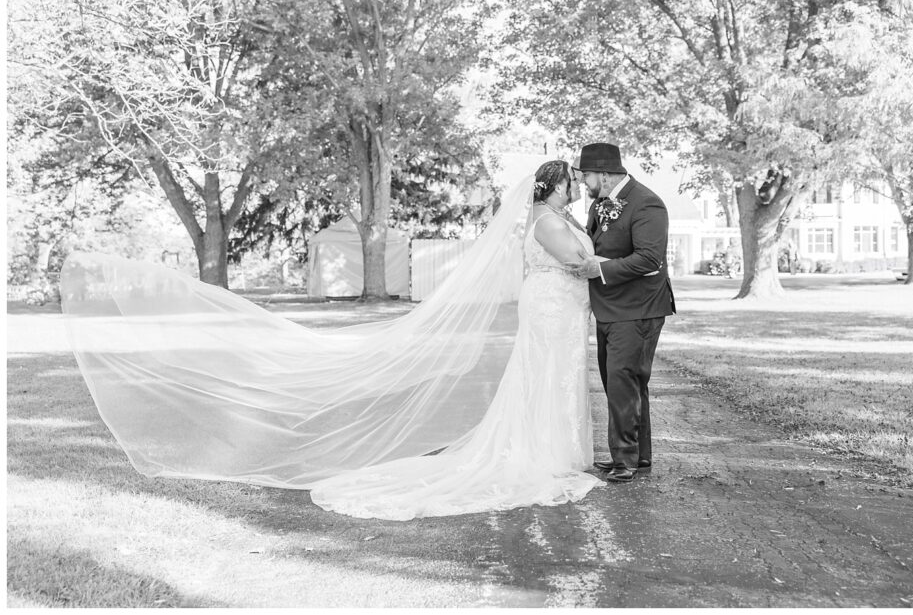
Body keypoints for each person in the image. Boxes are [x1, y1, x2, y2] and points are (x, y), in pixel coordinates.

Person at [61, 160, 603, 521]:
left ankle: (558, 448)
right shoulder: (548, 222)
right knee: (546, 376)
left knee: (553, 377)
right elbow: (578, 262)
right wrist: (619, 263)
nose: (578, 186)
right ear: (557, 185)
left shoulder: (555, 216)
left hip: (559, 309)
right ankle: (546, 453)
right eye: (573, 182)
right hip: (552, 309)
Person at [567, 143, 676, 483]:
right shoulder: (600, 204)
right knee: (623, 382)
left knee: (622, 381)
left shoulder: (647, 203)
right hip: (611, 308)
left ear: (603, 173)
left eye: (586, 175)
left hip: (638, 308)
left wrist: (600, 269)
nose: (583, 182)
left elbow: (649, 258)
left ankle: (624, 460)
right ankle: (637, 456)